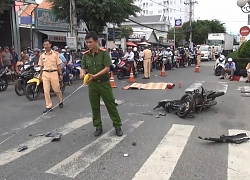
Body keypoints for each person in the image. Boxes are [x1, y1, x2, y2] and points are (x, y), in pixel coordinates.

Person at [80, 31, 123, 137]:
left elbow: (107, 68)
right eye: (87, 43)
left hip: (104, 83)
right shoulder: (85, 56)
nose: (88, 45)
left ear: (96, 42)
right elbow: (83, 68)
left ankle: (117, 126)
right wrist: (82, 74)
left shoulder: (104, 53)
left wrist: (95, 76)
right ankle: (98, 127)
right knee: (94, 107)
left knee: (110, 105)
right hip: (92, 85)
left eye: (90, 42)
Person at [38, 39, 63, 113]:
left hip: (54, 73)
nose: (46, 46)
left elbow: (58, 65)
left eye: (47, 44)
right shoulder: (42, 55)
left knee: (56, 89)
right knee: (46, 91)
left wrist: (60, 74)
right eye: (44, 45)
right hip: (45, 73)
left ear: (50, 45)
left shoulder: (55, 54)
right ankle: (48, 106)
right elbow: (41, 66)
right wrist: (40, 75)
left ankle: (60, 101)